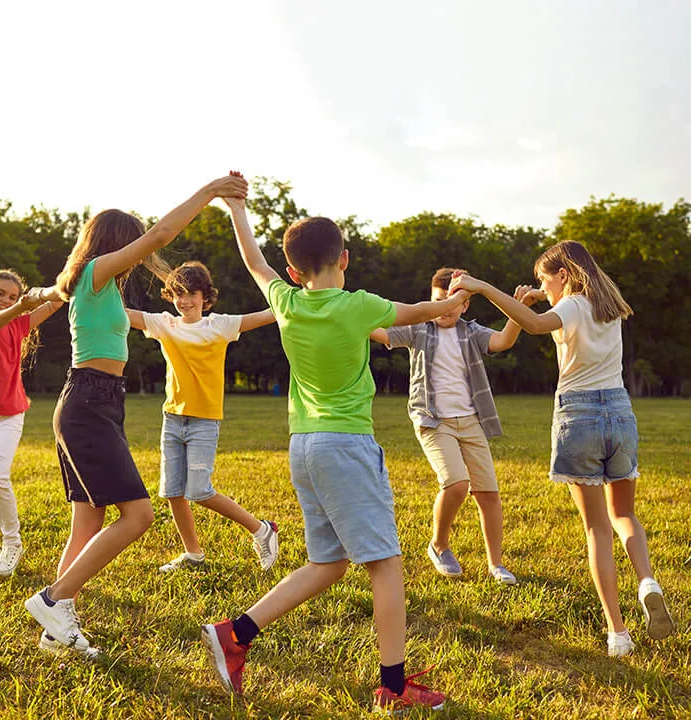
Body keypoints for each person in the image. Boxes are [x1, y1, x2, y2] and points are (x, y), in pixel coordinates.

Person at [202, 178, 472, 713]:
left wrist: (236, 210)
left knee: (329, 563)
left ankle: (235, 633)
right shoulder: (360, 305)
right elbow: (432, 312)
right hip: (346, 446)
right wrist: (466, 292)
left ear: (295, 271)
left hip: (304, 446)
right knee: (387, 564)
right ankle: (393, 689)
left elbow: (256, 262)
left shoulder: (285, 300)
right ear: (344, 258)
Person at [23, 174, 248, 659]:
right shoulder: (96, 271)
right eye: (133, 246)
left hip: (93, 401)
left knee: (87, 521)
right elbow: (161, 237)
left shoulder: (91, 284)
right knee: (139, 515)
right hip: (88, 403)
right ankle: (53, 599)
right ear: (114, 244)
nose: (139, 257)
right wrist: (210, 193)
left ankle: (54, 627)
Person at [449, 241, 675, 657]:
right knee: (624, 514)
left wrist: (481, 287)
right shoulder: (609, 304)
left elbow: (536, 326)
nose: (541, 286)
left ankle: (618, 634)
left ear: (565, 276)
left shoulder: (570, 305)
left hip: (580, 415)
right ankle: (647, 581)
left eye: (545, 279)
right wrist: (537, 295)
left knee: (596, 530)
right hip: (620, 412)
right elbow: (552, 310)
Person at [371, 267, 530, 586]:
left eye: (452, 302)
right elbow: (382, 332)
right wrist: (354, 313)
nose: (444, 308)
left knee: (488, 493)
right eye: (438, 301)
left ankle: (496, 564)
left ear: (465, 305)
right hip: (433, 419)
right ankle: (439, 544)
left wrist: (518, 310)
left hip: (471, 421)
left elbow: (502, 342)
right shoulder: (419, 328)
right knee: (456, 483)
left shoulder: (471, 332)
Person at [126, 260, 279, 573]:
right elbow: (123, 314)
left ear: (205, 298)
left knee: (199, 491)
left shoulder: (220, 325)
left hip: (204, 421)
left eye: (192, 294)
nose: (185, 300)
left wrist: (298, 293)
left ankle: (262, 529)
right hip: (172, 418)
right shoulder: (164, 324)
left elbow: (270, 314)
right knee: (173, 492)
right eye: (179, 293)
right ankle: (193, 554)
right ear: (171, 295)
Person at [0, 269, 63, 577]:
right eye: (0, 295)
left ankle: (12, 545)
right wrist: (22, 304)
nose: (6, 301)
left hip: (10, 415)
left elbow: (56, 300)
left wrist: (57, 285)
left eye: (13, 296)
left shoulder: (20, 324)